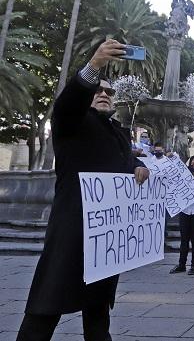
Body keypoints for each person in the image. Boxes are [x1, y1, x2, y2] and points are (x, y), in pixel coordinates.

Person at [17, 39, 150, 341]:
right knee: (46, 306)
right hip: (73, 230)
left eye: (109, 91)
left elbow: (126, 162)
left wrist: (138, 167)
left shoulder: (116, 131)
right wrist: (95, 65)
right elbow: (68, 103)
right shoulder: (71, 123)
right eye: (97, 90)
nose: (103, 93)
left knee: (98, 311)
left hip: (106, 237)